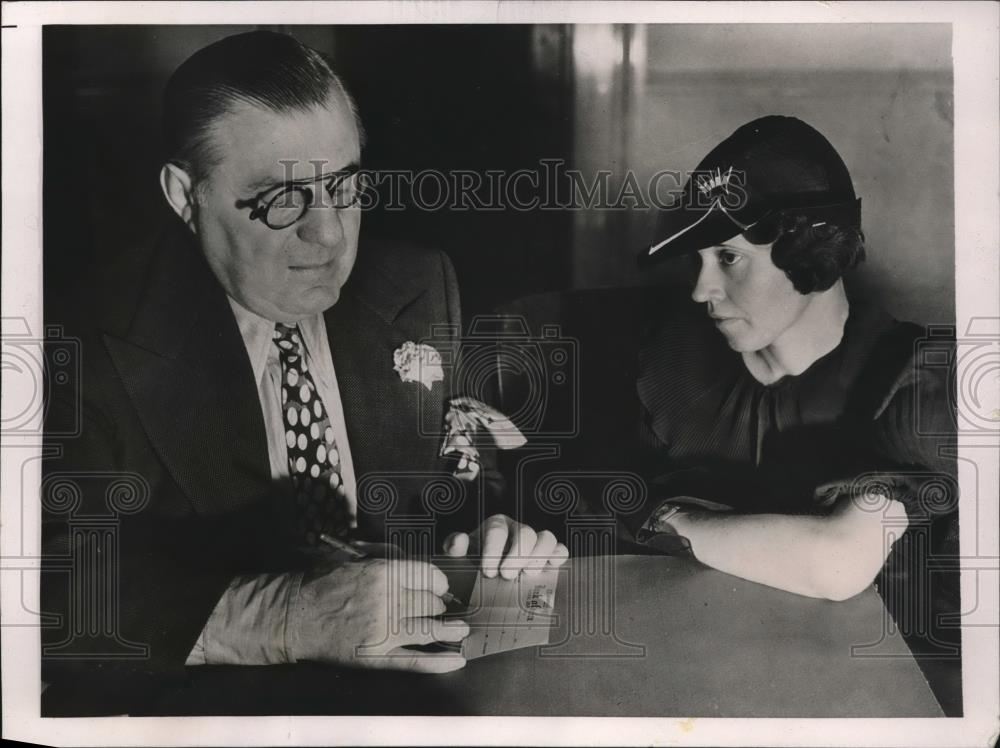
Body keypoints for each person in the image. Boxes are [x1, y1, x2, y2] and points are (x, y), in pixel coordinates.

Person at [41, 30, 567, 714]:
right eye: (281, 200)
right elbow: (49, 587)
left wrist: (495, 535)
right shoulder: (80, 339)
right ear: (184, 194)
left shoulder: (417, 284)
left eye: (344, 185)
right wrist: (287, 617)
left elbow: (465, 473)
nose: (330, 236)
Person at [627, 116, 959, 708]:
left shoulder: (915, 376)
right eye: (699, 262)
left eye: (728, 258)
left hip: (890, 701)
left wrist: (670, 518)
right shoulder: (673, 371)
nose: (701, 290)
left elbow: (836, 563)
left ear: (813, 251)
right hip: (710, 680)